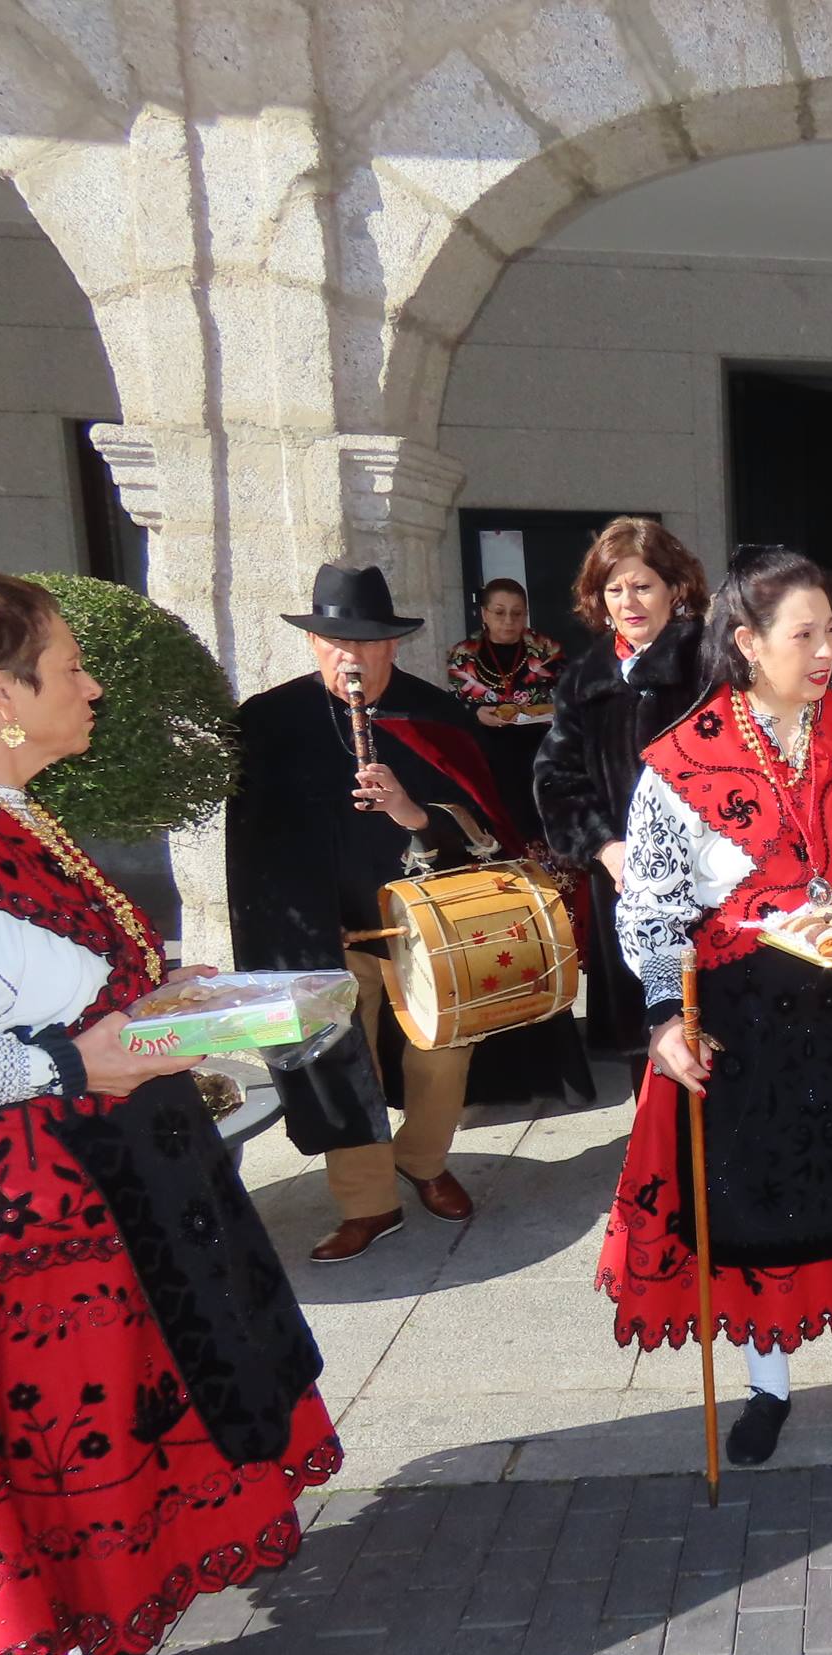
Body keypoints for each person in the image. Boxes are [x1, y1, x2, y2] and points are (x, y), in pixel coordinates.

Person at [0, 549, 339, 1655]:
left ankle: (114, 1604)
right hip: (7, 1207)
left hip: (99, 1170)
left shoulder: (4, 808)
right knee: (57, 1424)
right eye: (70, 668)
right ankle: (59, 1652)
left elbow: (61, 979)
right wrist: (59, 1060)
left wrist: (163, 997)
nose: (91, 689)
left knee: (134, 1392)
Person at [601, 545, 832, 1465]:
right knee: (754, 1197)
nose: (824, 652)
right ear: (747, 641)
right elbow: (652, 905)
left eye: (830, 632)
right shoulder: (682, 762)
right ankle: (767, 1384)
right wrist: (663, 1018)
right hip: (746, 1013)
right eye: (802, 634)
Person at [229, 563, 585, 1263]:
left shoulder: (433, 715)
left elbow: (486, 830)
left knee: (443, 1053)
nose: (349, 657)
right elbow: (252, 845)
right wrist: (283, 931)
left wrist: (411, 811)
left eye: (364, 643)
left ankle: (423, 1160)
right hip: (325, 930)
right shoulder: (270, 721)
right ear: (312, 644)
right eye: (334, 642)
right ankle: (367, 1203)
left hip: (427, 925)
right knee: (335, 1055)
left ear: (393, 646)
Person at [533, 518, 711, 1071]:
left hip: (712, 879)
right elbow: (555, 778)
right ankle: (654, 1154)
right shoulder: (585, 677)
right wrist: (606, 847)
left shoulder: (711, 664)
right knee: (649, 1046)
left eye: (643, 586)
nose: (628, 602)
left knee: (714, 1030)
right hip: (625, 883)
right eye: (614, 589)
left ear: (674, 589)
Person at [447, 576, 562, 838]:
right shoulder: (463, 654)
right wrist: (474, 713)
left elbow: (568, 695)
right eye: (499, 612)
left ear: (526, 615)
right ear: (484, 614)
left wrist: (548, 709)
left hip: (539, 750)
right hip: (487, 751)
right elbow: (453, 706)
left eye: (517, 613)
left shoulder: (546, 649)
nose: (509, 621)